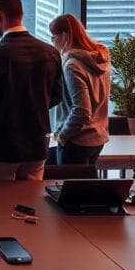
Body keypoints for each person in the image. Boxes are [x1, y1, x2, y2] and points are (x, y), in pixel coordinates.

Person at [0, 0, 62, 181]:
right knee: (30, 205)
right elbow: (57, 96)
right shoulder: (50, 52)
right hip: (37, 144)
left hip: (0, 145)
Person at [49, 14, 111, 165]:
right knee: (85, 187)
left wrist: (63, 135)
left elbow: (82, 109)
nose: (52, 42)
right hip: (97, 139)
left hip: (77, 140)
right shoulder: (101, 60)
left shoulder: (72, 65)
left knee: (69, 187)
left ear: (64, 36)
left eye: (53, 37)